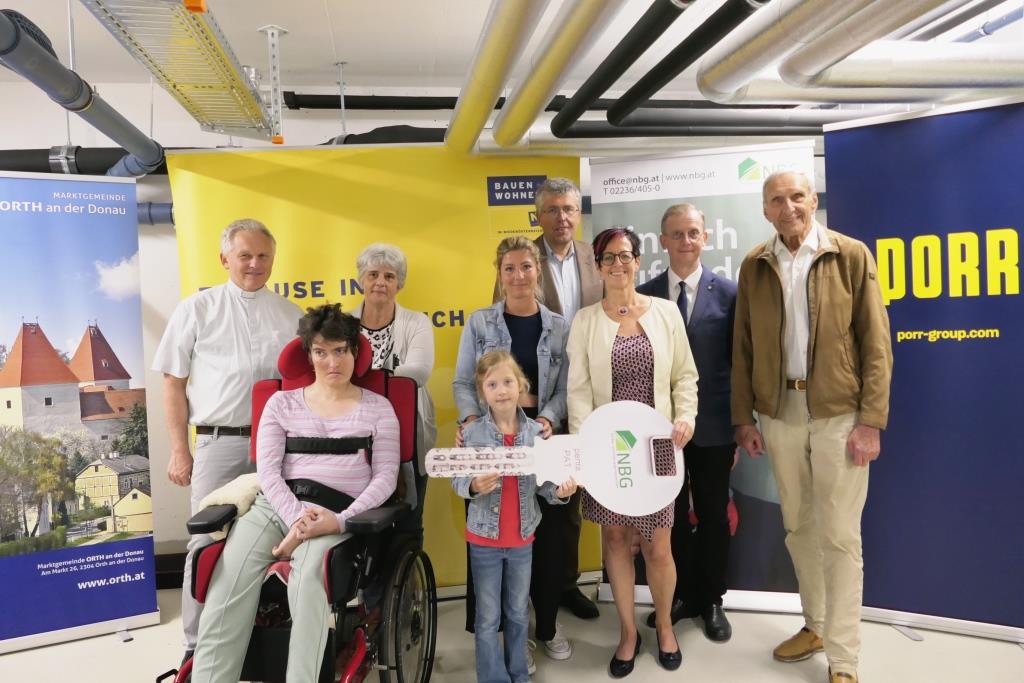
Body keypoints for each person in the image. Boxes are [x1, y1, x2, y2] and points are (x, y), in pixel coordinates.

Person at [732, 171, 893, 683]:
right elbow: (743, 349)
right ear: (765, 209)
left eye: (797, 196)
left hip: (839, 416)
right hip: (779, 414)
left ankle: (843, 661)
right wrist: (743, 417)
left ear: (813, 200)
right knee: (799, 528)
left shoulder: (849, 255)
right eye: (776, 199)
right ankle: (815, 624)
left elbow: (876, 343)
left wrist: (871, 421)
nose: (788, 207)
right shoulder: (755, 264)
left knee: (841, 537)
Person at [190, 304, 400, 683]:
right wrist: (297, 521)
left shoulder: (379, 409)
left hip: (337, 513)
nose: (331, 361)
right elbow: (268, 473)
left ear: (355, 352)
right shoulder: (280, 403)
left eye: (340, 350)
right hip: (277, 506)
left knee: (307, 585)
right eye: (321, 351)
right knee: (229, 580)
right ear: (309, 355)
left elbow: (385, 478)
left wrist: (337, 520)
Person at [152, 218, 303, 660]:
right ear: (224, 259)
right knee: (205, 542)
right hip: (220, 443)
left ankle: (262, 637)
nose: (254, 264)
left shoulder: (291, 314)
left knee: (274, 542)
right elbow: (172, 383)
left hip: (279, 446)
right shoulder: (195, 310)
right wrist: (180, 450)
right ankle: (196, 649)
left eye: (263, 256)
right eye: (245, 255)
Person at [567, 227, 698, 677]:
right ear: (598, 266)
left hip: (659, 446)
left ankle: (663, 625)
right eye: (608, 258)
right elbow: (579, 392)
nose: (617, 265)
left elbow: (685, 377)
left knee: (659, 545)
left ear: (638, 261)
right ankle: (627, 632)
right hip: (607, 450)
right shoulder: (585, 321)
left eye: (625, 256)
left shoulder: (664, 313)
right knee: (616, 540)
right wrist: (586, 452)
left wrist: (686, 418)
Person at [456, 236, 574, 662]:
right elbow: (462, 381)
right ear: (500, 274)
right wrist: (472, 424)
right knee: (494, 524)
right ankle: (507, 631)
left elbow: (563, 387)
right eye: (510, 268)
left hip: (539, 437)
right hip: (490, 438)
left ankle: (546, 624)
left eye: (526, 266)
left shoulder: (560, 325)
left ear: (537, 270)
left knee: (545, 535)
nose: (519, 276)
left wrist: (549, 418)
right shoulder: (480, 323)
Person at [637, 204, 737, 642]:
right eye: (676, 234)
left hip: (714, 427)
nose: (685, 241)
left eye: (693, 233)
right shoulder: (644, 295)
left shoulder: (731, 294)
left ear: (705, 238)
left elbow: (740, 365)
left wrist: (740, 426)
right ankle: (678, 596)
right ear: (662, 242)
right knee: (671, 516)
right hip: (661, 429)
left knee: (714, 514)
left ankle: (711, 598)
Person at [453, 350, 577, 683]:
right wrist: (474, 485)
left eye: (508, 381)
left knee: (519, 612)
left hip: (523, 539)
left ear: (521, 385)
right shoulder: (472, 434)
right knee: (488, 616)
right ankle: (493, 678)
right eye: (492, 384)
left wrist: (560, 492)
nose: (502, 390)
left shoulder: (536, 434)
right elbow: (457, 480)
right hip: (484, 540)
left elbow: (544, 486)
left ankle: (519, 674)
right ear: (482, 392)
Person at [529, 176, 603, 621]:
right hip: (542, 400)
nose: (562, 218)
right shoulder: (521, 257)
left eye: (570, 209)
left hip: (592, 396)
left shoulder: (597, 257)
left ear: (579, 213)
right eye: (553, 209)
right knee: (541, 497)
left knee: (571, 501)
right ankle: (540, 590)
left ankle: (568, 584)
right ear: (539, 215)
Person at [351, 242, 436, 532]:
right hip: (354, 437)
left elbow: (418, 373)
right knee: (360, 518)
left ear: (399, 283)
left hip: (408, 435)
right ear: (360, 279)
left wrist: (362, 379)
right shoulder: (343, 325)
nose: (380, 282)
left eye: (389, 276)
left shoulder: (418, 323)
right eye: (373, 274)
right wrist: (387, 376)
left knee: (409, 522)